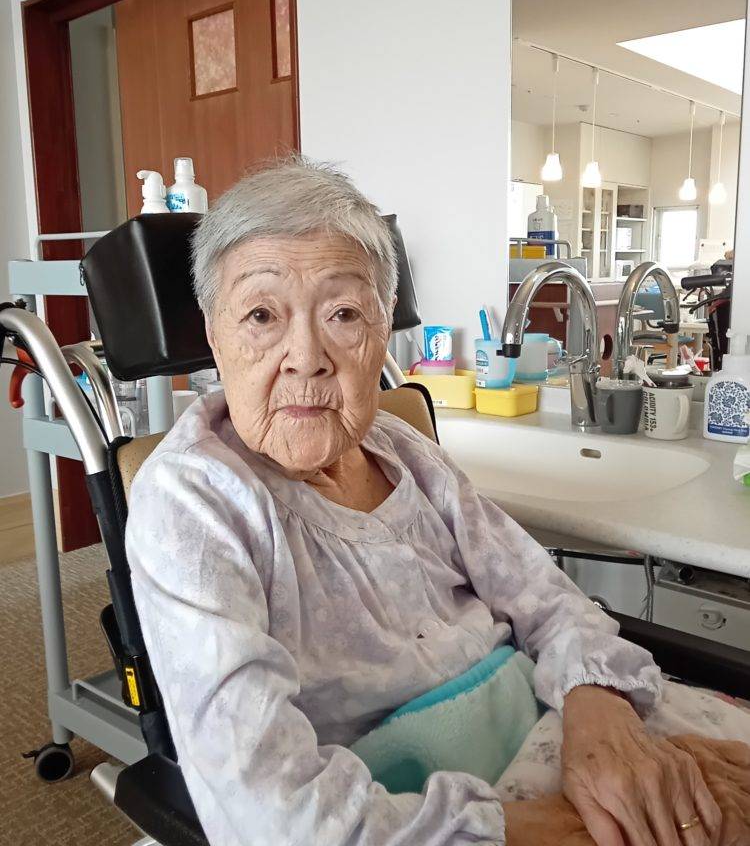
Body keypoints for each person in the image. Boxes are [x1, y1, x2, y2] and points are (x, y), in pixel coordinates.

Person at [126, 156, 750, 846]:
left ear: (381, 332)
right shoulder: (192, 501)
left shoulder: (401, 448)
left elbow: (543, 596)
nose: (306, 356)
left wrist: (604, 723)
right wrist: (582, 826)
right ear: (214, 336)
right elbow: (274, 813)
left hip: (543, 725)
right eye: (261, 315)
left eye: (342, 313)